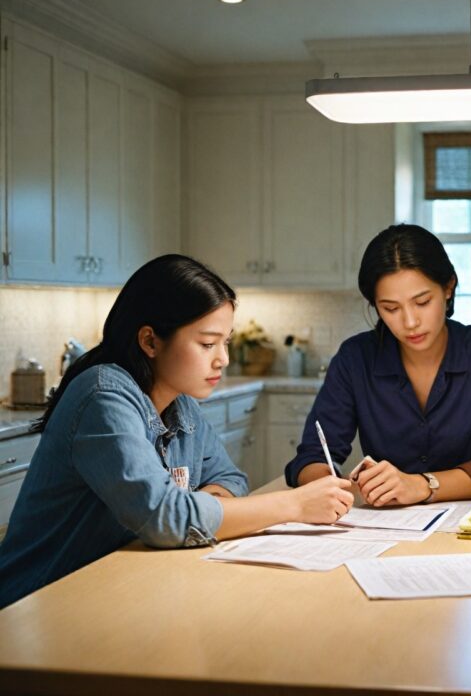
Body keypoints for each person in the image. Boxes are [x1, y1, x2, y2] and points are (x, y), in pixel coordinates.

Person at [0, 255, 353, 609]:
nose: (223, 360)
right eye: (207, 344)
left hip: (117, 591)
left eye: (225, 342)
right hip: (37, 603)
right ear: (150, 342)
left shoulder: (179, 402)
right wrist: (294, 504)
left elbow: (229, 477)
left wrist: (196, 511)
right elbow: (165, 517)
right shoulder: (103, 396)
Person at [285, 224, 471, 506]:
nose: (410, 322)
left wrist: (421, 485)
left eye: (422, 302)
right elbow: (312, 457)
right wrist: (330, 488)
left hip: (470, 523)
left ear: (448, 288)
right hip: (381, 524)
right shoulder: (355, 358)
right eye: (391, 308)